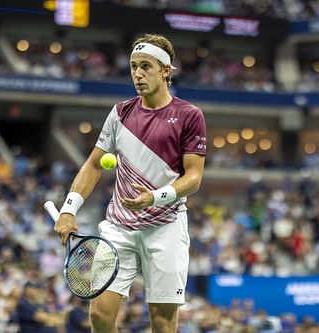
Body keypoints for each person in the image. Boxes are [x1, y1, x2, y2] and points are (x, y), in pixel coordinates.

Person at [53, 33, 207, 333]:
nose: (137, 74)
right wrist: (68, 209)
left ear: (166, 70)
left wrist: (155, 197)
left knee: (162, 321)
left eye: (146, 66)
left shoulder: (189, 115)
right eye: (133, 66)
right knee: (99, 313)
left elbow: (194, 178)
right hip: (119, 226)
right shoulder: (120, 112)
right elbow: (94, 164)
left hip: (166, 226)